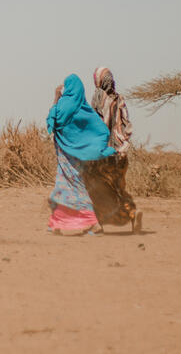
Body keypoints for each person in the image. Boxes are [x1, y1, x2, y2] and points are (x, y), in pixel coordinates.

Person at [46, 73, 115, 235]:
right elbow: (100, 130)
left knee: (69, 187)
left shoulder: (62, 105)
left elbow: (51, 121)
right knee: (69, 186)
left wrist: (56, 97)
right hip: (79, 157)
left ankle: (91, 222)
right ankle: (58, 223)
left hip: (64, 156)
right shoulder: (83, 108)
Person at [87, 66, 142, 233]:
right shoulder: (120, 99)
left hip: (103, 152)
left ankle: (98, 224)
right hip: (121, 151)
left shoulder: (98, 96)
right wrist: (123, 144)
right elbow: (127, 124)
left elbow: (94, 123)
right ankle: (133, 214)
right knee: (118, 187)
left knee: (96, 186)